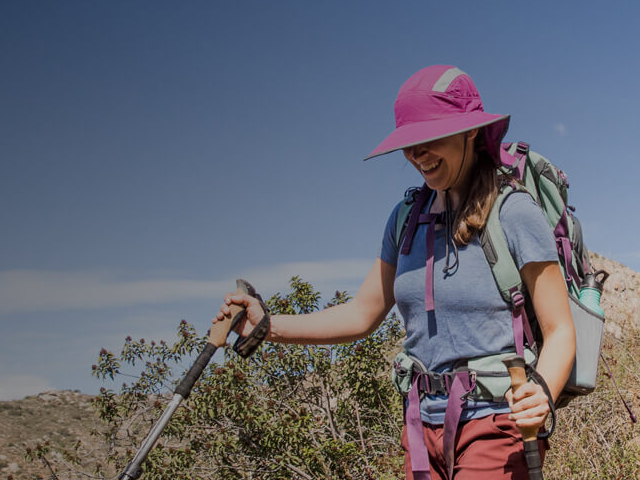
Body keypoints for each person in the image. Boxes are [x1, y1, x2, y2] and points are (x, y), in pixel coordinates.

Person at [214, 65, 576, 479]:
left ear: (471, 131)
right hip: (421, 428)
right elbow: (361, 314)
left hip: (497, 424)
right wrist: (267, 326)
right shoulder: (405, 219)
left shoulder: (513, 212)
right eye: (409, 144)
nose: (417, 154)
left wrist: (541, 393)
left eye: (430, 138)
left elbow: (560, 329)